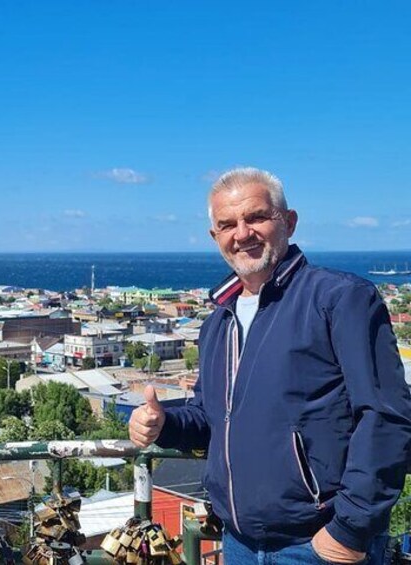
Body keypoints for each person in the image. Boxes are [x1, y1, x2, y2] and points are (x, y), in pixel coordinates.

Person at [129, 168, 411, 564]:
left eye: (256, 217)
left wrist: (349, 531)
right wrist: (165, 424)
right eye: (227, 224)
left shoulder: (340, 299)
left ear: (289, 222)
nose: (242, 234)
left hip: (319, 544)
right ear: (215, 238)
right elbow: (214, 419)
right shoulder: (218, 322)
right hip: (240, 541)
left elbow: (385, 416)